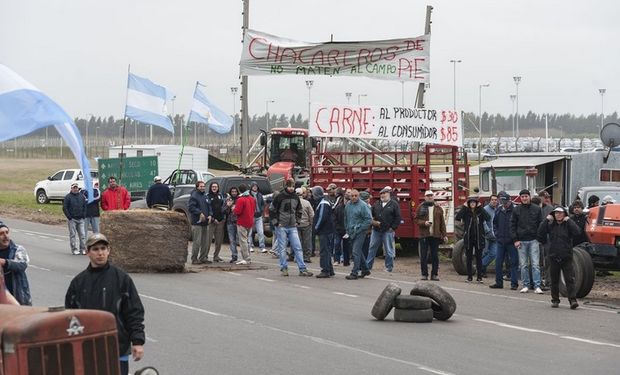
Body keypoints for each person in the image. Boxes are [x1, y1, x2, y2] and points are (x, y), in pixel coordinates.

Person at [65, 233, 145, 375]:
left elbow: (134, 311)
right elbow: (70, 316)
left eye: (103, 248)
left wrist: (137, 342)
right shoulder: (78, 282)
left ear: (109, 251)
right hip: (87, 349)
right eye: (95, 249)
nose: (100, 253)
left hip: (117, 347)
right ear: (87, 252)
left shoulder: (122, 279)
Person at [537, 207, 581, 309]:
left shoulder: (568, 224)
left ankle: (573, 300)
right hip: (553, 256)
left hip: (566, 256)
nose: (558, 215)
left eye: (560, 213)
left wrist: (569, 220)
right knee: (554, 280)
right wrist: (546, 220)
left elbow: (577, 232)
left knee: (569, 279)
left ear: (564, 214)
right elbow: (540, 232)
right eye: (556, 213)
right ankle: (555, 300)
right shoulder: (551, 225)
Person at [271, 179, 313, 277]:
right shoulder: (279, 197)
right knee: (282, 248)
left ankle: (302, 269)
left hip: (292, 226)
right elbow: (272, 210)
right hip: (282, 226)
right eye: (289, 186)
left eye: (292, 186)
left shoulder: (295, 197)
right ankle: (284, 268)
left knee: (298, 247)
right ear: (286, 186)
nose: (291, 188)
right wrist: (276, 223)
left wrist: (297, 221)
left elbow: (299, 210)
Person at [511, 189, 543, 294]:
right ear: (520, 198)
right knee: (523, 265)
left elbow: (541, 224)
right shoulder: (516, 210)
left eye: (526, 196)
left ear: (529, 197)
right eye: (522, 197)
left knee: (535, 264)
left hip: (534, 240)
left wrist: (539, 238)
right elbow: (512, 226)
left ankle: (537, 285)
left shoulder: (537, 209)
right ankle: (525, 285)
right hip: (521, 241)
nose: (524, 198)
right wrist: (515, 240)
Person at [455, 196, 491, 282]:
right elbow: (458, 217)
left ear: (476, 204)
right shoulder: (466, 212)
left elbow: (488, 217)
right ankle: (469, 277)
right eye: (471, 203)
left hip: (479, 238)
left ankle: (479, 277)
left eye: (474, 203)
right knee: (469, 257)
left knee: (479, 258)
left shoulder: (480, 212)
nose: (472, 204)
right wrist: (464, 207)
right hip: (469, 238)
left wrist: (480, 207)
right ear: (468, 204)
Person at [367, 186, 402, 273]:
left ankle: (389, 267)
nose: (383, 195)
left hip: (387, 231)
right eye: (381, 194)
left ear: (389, 194)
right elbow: (370, 215)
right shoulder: (376, 204)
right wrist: (373, 222)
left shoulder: (394, 204)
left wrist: (393, 228)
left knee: (388, 250)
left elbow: (398, 217)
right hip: (376, 230)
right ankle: (368, 266)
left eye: (384, 193)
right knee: (372, 248)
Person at [489, 191, 520, 290]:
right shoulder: (498, 210)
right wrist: (497, 235)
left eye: (505, 202)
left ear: (509, 201)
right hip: (501, 241)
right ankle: (499, 283)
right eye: (502, 202)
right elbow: (494, 224)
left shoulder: (515, 211)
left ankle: (514, 284)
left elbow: (518, 225)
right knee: (498, 262)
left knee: (514, 263)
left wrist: (515, 237)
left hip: (512, 242)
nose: (504, 204)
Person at [416, 190, 447, 281]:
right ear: (425, 197)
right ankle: (424, 274)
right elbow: (416, 220)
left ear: (433, 197)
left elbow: (442, 223)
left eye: (431, 196)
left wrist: (444, 235)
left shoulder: (438, 208)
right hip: (424, 235)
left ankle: (434, 275)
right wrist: (424, 223)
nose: (429, 197)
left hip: (435, 235)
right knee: (424, 255)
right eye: (427, 196)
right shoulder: (420, 207)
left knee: (435, 256)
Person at [0, 222, 32, 305]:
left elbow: (22, 265)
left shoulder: (18, 249)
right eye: (1, 234)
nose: (6, 236)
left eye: (7, 232)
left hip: (17, 295)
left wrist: (5, 262)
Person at [344, 189, 372, 280]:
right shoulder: (348, 205)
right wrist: (347, 229)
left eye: (356, 195)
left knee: (355, 251)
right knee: (358, 251)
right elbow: (346, 218)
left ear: (358, 196)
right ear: (350, 196)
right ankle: (365, 269)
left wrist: (360, 228)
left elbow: (368, 219)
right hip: (351, 231)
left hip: (360, 231)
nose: (354, 197)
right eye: (352, 196)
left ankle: (354, 272)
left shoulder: (363, 206)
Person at [188, 180, 212, 265]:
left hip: (205, 222)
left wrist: (210, 214)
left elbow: (209, 207)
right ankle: (194, 259)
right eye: (201, 186)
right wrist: (199, 213)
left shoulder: (205, 196)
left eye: (203, 186)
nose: (202, 188)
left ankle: (203, 258)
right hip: (197, 222)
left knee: (205, 242)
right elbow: (191, 208)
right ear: (197, 187)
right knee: (197, 242)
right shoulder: (194, 196)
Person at [313, 186, 335, 278]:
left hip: (324, 231)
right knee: (327, 250)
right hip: (327, 230)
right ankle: (330, 269)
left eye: (314, 193)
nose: (312, 195)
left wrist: (316, 229)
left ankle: (325, 270)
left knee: (324, 251)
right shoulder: (324, 202)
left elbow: (322, 218)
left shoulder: (323, 203)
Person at [233, 183, 255, 265]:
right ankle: (247, 256)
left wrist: (233, 209)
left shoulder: (240, 199)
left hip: (242, 222)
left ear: (239, 190)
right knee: (247, 240)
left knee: (243, 241)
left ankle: (246, 258)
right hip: (250, 221)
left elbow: (237, 211)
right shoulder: (252, 198)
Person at [63, 182, 87, 255]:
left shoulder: (82, 196)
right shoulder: (68, 197)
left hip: (81, 219)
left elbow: (85, 206)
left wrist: (84, 215)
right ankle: (74, 249)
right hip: (72, 219)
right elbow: (65, 208)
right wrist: (69, 217)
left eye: (76, 187)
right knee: (73, 234)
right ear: (71, 188)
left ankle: (82, 248)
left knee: (82, 234)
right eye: (74, 188)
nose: (75, 189)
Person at [205, 182, 226, 262]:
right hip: (211, 222)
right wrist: (213, 219)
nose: (214, 188)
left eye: (216, 187)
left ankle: (216, 256)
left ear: (218, 188)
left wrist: (223, 218)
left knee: (219, 241)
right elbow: (207, 209)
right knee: (208, 241)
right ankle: (205, 256)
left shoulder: (220, 196)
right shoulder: (207, 196)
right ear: (210, 187)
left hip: (220, 222)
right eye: (213, 186)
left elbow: (223, 207)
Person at [480, 194, 499, 277]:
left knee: (493, 254)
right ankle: (481, 270)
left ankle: (481, 266)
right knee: (484, 253)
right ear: (490, 200)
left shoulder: (498, 210)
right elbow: (483, 221)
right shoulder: (485, 209)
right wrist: (487, 231)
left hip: (495, 236)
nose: (494, 201)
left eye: (495, 200)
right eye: (492, 200)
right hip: (486, 236)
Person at [333, 188, 351, 267]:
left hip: (347, 229)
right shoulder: (339, 207)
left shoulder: (352, 207)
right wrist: (336, 227)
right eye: (347, 192)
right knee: (337, 244)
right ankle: (336, 260)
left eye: (350, 192)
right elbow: (335, 218)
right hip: (338, 229)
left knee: (346, 246)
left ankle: (346, 261)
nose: (348, 194)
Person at [297, 187, 315, 263]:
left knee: (297, 242)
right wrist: (311, 222)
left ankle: (297, 257)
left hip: (296, 225)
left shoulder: (293, 202)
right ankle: (307, 257)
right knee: (307, 241)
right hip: (306, 224)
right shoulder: (307, 203)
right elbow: (312, 214)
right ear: (302, 194)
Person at [248, 182, 267, 253]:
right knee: (249, 232)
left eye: (256, 186)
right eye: (253, 186)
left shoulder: (259, 195)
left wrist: (261, 210)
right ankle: (250, 246)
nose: (255, 187)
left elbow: (263, 204)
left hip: (259, 216)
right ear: (251, 187)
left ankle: (262, 247)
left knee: (260, 232)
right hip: (251, 216)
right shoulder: (249, 195)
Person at [224, 187, 240, 263]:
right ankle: (234, 255)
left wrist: (236, 208)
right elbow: (222, 210)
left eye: (235, 191)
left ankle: (245, 256)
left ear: (237, 192)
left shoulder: (240, 200)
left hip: (239, 222)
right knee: (232, 240)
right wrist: (228, 205)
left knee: (241, 240)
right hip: (230, 222)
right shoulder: (228, 200)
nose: (234, 193)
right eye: (232, 191)